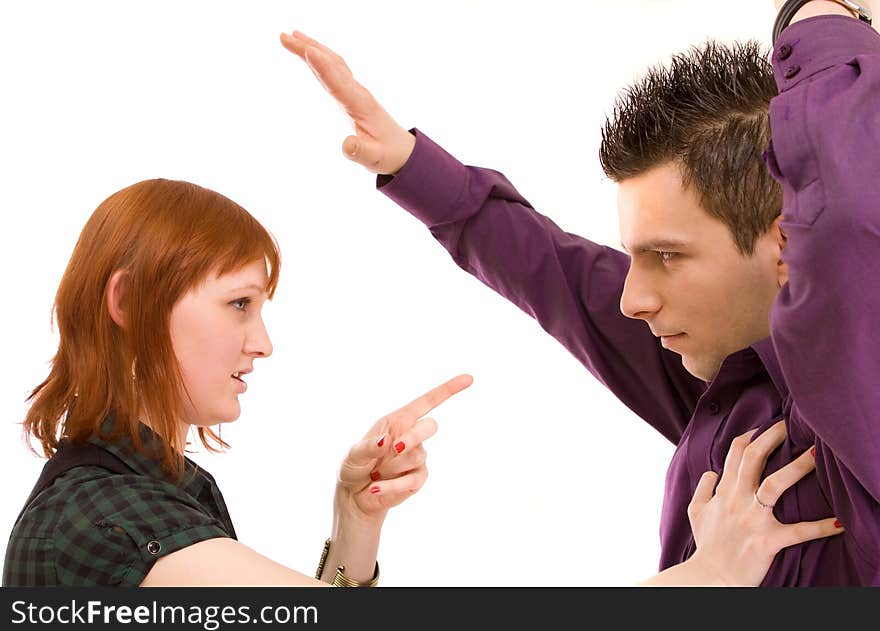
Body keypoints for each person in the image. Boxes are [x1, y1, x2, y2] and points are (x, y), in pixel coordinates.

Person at [280, 0, 880, 585]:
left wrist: (815, 15)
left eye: (666, 256)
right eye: (636, 255)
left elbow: (847, 216)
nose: (630, 298)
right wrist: (410, 163)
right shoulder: (724, 375)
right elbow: (555, 274)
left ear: (787, 244)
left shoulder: (857, 408)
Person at [1, 180, 839, 588]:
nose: (261, 340)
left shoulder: (161, 491)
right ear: (126, 301)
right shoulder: (109, 522)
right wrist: (705, 578)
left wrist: (352, 519)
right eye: (239, 303)